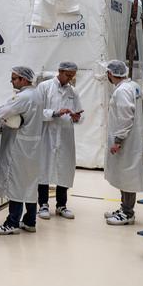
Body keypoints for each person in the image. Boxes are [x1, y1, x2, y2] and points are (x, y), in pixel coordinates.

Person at [0, 65, 45, 236]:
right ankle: (30, 221)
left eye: (14, 78)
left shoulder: (23, 97)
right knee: (29, 184)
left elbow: (2, 113)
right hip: (32, 147)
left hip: (18, 147)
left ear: (24, 79)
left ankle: (12, 222)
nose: (12, 81)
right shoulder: (37, 95)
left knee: (15, 185)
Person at [33, 60, 81, 219]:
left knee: (64, 169)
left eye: (72, 76)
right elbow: (37, 111)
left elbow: (80, 113)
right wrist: (55, 113)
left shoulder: (73, 92)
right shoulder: (44, 87)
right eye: (68, 75)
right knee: (44, 168)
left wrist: (76, 116)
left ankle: (62, 205)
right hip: (48, 133)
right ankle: (43, 204)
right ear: (59, 71)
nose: (70, 79)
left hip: (65, 135)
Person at [103, 60, 143, 226]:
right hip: (131, 139)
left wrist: (118, 140)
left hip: (126, 141)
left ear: (110, 74)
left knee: (128, 176)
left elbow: (125, 116)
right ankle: (124, 208)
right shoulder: (132, 86)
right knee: (125, 175)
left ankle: (128, 213)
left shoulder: (122, 91)